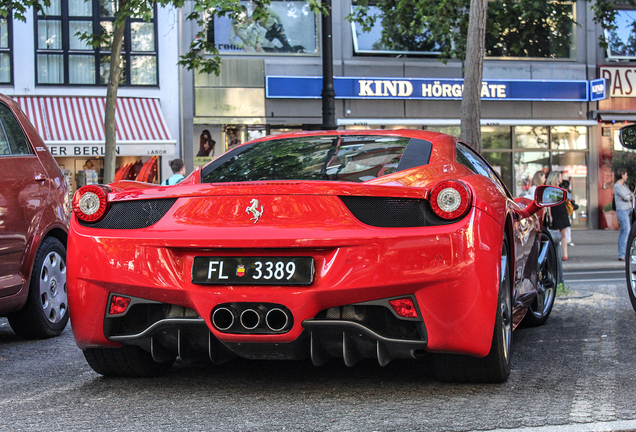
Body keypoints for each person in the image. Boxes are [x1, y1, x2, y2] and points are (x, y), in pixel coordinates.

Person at [546, 171, 570, 261]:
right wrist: (550, 215)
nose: (561, 179)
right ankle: (556, 254)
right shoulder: (549, 189)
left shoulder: (561, 188)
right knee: (556, 234)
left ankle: (565, 254)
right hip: (554, 211)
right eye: (560, 177)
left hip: (561, 210)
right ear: (556, 178)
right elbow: (548, 203)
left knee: (563, 233)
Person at [614, 168, 634, 261]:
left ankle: (624, 252)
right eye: (625, 174)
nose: (627, 176)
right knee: (626, 230)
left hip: (628, 210)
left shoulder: (624, 185)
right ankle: (622, 253)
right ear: (622, 175)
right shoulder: (617, 186)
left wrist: (629, 197)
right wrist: (628, 197)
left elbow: (630, 196)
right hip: (622, 210)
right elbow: (626, 197)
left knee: (625, 231)